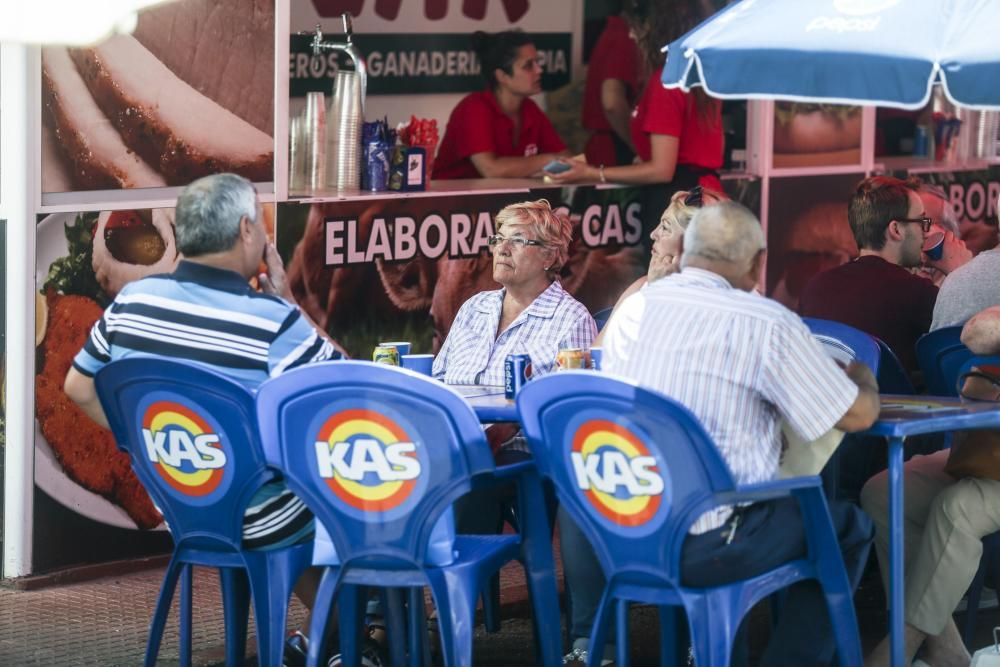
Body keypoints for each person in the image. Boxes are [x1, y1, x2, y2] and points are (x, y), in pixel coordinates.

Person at [563, 201, 880, 666]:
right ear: (756, 262)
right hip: (714, 541)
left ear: (687, 251)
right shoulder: (764, 322)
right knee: (847, 529)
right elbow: (855, 416)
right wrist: (863, 378)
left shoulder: (636, 310)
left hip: (626, 527)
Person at [62, 174, 347, 662]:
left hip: (184, 507)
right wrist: (291, 304)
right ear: (245, 231)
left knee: (280, 497)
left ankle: (332, 637)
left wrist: (154, 442)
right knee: (364, 504)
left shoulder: (131, 303)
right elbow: (351, 395)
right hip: (261, 515)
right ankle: (353, 636)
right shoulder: (273, 321)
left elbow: (76, 387)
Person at [432, 199, 596, 537]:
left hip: (518, 452)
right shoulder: (474, 308)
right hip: (456, 442)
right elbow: (438, 381)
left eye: (518, 240)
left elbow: (566, 414)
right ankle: (385, 585)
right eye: (497, 238)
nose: (501, 249)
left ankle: (459, 583)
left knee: (464, 482)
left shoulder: (571, 319)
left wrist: (499, 432)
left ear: (550, 256)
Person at [860, 305, 1000, 667]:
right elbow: (975, 335)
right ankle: (945, 650)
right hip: (989, 451)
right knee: (885, 493)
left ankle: (899, 649)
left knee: (958, 508)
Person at [550, 0, 724, 229]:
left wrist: (592, 173)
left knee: (670, 264)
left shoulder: (667, 81)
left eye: (639, 26)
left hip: (680, 200)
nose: (632, 34)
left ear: (658, 28)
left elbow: (661, 169)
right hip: (704, 195)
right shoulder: (695, 75)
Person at [799, 175, 968, 374]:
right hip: (891, 404)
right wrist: (961, 273)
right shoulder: (916, 294)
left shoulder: (815, 288)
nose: (925, 231)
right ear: (896, 229)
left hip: (827, 402)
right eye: (921, 221)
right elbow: (967, 347)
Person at [594, 185, 726, 344]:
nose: (653, 234)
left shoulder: (719, 304)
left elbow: (664, 359)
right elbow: (597, 352)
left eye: (665, 228)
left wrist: (657, 293)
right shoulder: (640, 286)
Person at [432, 30, 569, 180]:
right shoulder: (474, 108)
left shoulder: (530, 108)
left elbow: (567, 160)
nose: (539, 70)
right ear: (502, 76)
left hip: (502, 201)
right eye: (528, 66)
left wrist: (551, 162)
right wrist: (546, 161)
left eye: (538, 62)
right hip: (451, 202)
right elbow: (491, 170)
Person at [581, 1, 642, 167]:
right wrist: (639, 147)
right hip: (615, 149)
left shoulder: (617, 31)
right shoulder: (624, 35)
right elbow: (612, 102)